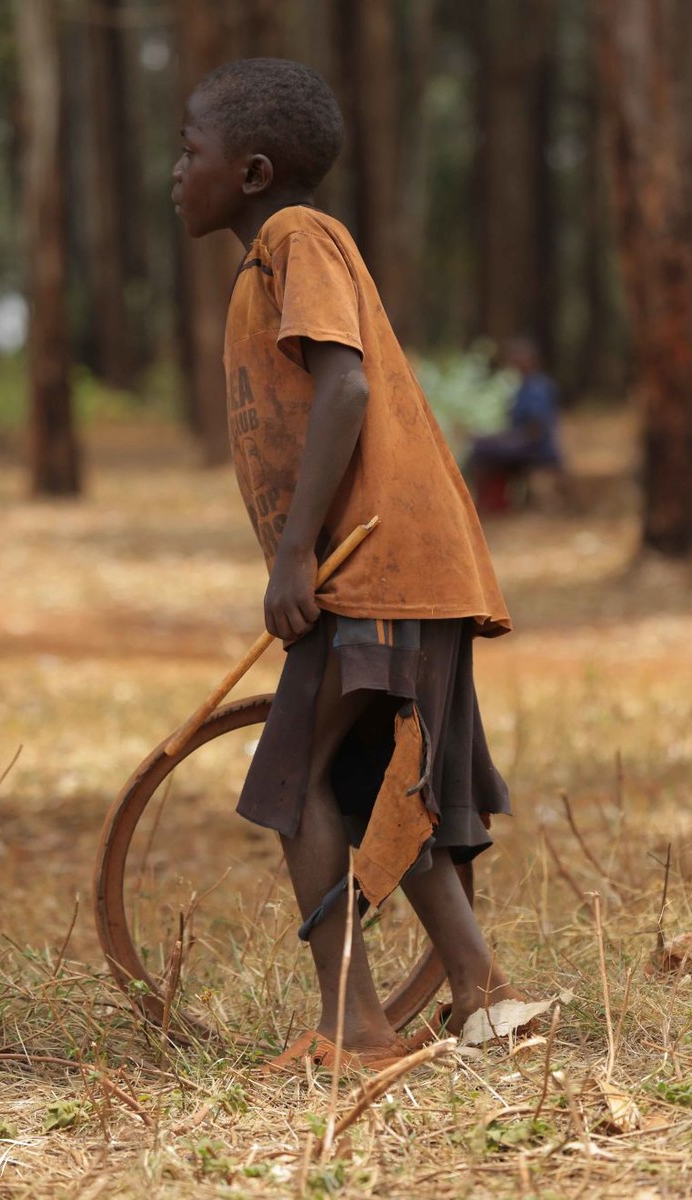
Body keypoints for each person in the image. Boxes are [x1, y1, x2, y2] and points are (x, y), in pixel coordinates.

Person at [172, 58, 522, 1071]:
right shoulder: (268, 261)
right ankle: (482, 991)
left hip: (375, 564)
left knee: (292, 780)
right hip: (395, 568)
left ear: (251, 170)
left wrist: (294, 556)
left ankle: (355, 1029)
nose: (174, 171)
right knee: (375, 782)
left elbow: (344, 393)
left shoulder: (296, 236)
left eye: (189, 151)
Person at [467, 338, 562, 511]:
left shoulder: (537, 387)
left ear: (529, 359)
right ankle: (492, 502)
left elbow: (536, 430)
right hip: (524, 442)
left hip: (537, 448)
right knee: (480, 445)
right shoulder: (522, 386)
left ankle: (491, 504)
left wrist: (505, 441)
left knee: (482, 448)